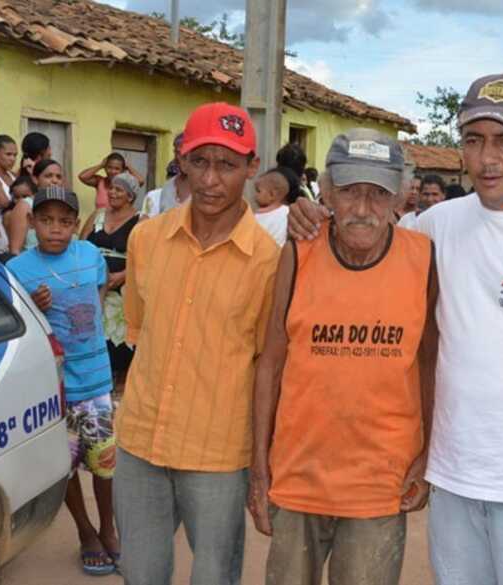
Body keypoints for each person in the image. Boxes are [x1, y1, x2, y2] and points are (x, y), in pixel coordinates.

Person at [288, 73, 503, 585]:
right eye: (474, 141)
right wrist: (310, 213)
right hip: (452, 482)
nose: (487, 159)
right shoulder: (437, 225)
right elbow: (363, 230)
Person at [248, 129, 438, 585]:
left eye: (379, 194)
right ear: (327, 193)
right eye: (350, 191)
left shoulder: (422, 258)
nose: (363, 208)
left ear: (400, 199)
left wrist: (429, 453)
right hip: (298, 473)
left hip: (381, 481)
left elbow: (430, 363)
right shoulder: (299, 253)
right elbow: (270, 363)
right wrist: (258, 465)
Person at [114, 102, 280, 585]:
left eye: (227, 165)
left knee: (214, 576)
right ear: (181, 159)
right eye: (200, 161)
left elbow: (265, 365)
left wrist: (260, 463)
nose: (210, 180)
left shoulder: (269, 261)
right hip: (141, 441)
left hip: (217, 454)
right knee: (140, 574)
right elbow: (140, 329)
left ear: (251, 168)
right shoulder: (146, 240)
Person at [6, 186, 118, 576]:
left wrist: (97, 313)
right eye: (47, 220)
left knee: (105, 461)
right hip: (54, 388)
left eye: (65, 222)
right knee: (65, 465)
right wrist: (34, 309)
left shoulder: (89, 254)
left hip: (96, 380)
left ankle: (108, 528)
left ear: (75, 223)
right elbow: (17, 324)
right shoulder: (18, 270)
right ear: (31, 222)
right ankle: (86, 533)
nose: (56, 229)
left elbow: (102, 282)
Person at [81, 173, 141, 395]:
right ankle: (99, 378)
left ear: (130, 196)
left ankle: (121, 376)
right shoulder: (97, 216)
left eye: (119, 189)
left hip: (123, 288)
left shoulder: (141, 221)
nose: (113, 193)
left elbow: (146, 257)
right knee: (93, 329)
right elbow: (80, 245)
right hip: (93, 285)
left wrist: (124, 275)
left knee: (120, 333)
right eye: (112, 188)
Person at [79, 152, 145, 210]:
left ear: (123, 170)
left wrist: (128, 166)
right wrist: (101, 165)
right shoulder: (100, 181)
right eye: (109, 167)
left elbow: (141, 180)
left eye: (117, 169)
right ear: (105, 168)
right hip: (100, 219)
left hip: (120, 220)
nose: (112, 171)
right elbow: (83, 176)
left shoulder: (127, 184)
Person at [253, 169, 290, 246]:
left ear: (271, 195)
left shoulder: (257, 217)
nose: (255, 195)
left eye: (258, 191)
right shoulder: (288, 212)